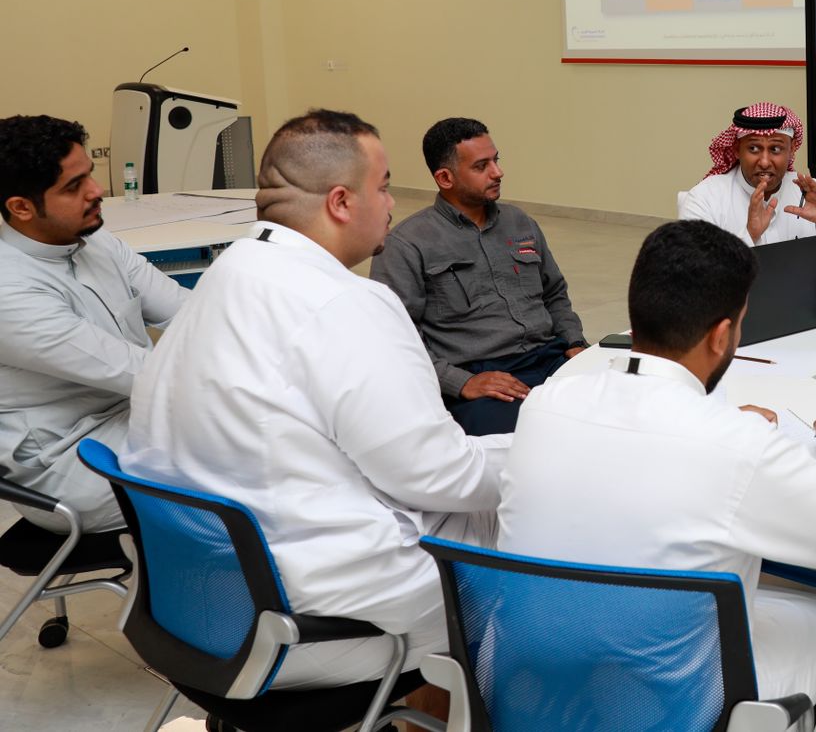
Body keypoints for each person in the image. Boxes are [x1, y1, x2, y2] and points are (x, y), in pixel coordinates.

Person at [124, 110, 507, 688]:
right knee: (533, 523)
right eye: (383, 187)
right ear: (341, 202)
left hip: (209, 599)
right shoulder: (346, 303)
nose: (392, 204)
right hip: (318, 618)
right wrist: (539, 450)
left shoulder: (226, 275)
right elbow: (437, 476)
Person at [498, 219, 816, 732]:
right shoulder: (740, 444)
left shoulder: (546, 402)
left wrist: (727, 426)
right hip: (664, 704)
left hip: (528, 680)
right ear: (722, 334)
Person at [0, 114, 188, 534]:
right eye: (74, 186)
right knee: (260, 447)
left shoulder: (95, 240)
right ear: (21, 207)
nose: (96, 190)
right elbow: (148, 375)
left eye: (89, 173)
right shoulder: (7, 290)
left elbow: (191, 314)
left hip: (135, 416)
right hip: (69, 466)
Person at [370, 118, 588, 436]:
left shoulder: (519, 222)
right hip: (483, 374)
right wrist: (461, 382)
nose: (498, 172)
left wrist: (574, 342)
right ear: (445, 178)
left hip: (550, 356)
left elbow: (553, 292)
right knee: (529, 435)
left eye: (496, 160)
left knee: (620, 402)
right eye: (481, 166)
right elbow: (395, 339)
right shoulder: (407, 244)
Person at [678, 102, 816, 273]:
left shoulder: (814, 195)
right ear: (736, 149)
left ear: (791, 149)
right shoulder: (706, 197)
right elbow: (693, 277)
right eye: (753, 148)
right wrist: (749, 235)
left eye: (775, 149)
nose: (764, 162)